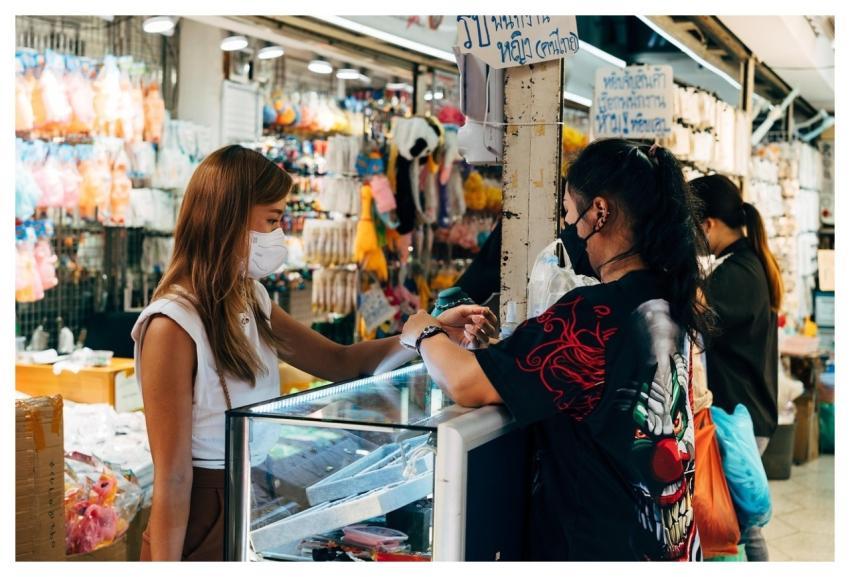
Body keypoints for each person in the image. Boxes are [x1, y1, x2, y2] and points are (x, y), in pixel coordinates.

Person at [131, 145, 497, 561]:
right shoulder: (172, 325)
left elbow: (339, 362)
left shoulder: (251, 298)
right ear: (228, 219)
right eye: (272, 220)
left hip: (249, 494)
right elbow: (174, 478)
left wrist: (428, 333)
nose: (279, 235)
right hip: (200, 512)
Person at [401, 139, 712, 561]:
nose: (569, 226)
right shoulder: (669, 298)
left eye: (568, 211)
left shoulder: (593, 314)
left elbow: (464, 383)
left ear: (599, 212)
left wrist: (423, 329)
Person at [690, 174, 782, 562]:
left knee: (740, 528)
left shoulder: (740, 272)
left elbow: (695, 307)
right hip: (744, 412)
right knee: (740, 524)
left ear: (708, 225)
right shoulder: (741, 264)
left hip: (741, 416)